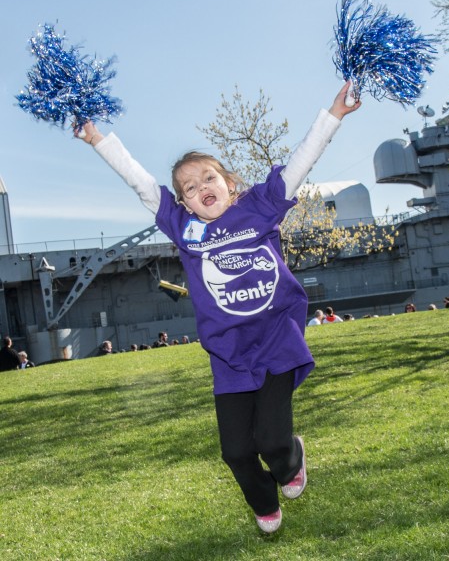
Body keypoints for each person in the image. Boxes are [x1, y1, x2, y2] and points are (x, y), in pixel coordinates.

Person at [76, 81, 360, 533]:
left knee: (271, 440)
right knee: (235, 451)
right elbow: (142, 183)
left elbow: (302, 160)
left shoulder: (262, 206)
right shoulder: (185, 230)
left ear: (229, 183)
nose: (200, 187)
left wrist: (334, 114)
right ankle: (263, 501)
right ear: (183, 202)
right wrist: (98, 140)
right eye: (188, 187)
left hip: (275, 341)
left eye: (209, 177)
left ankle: (291, 460)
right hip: (229, 355)